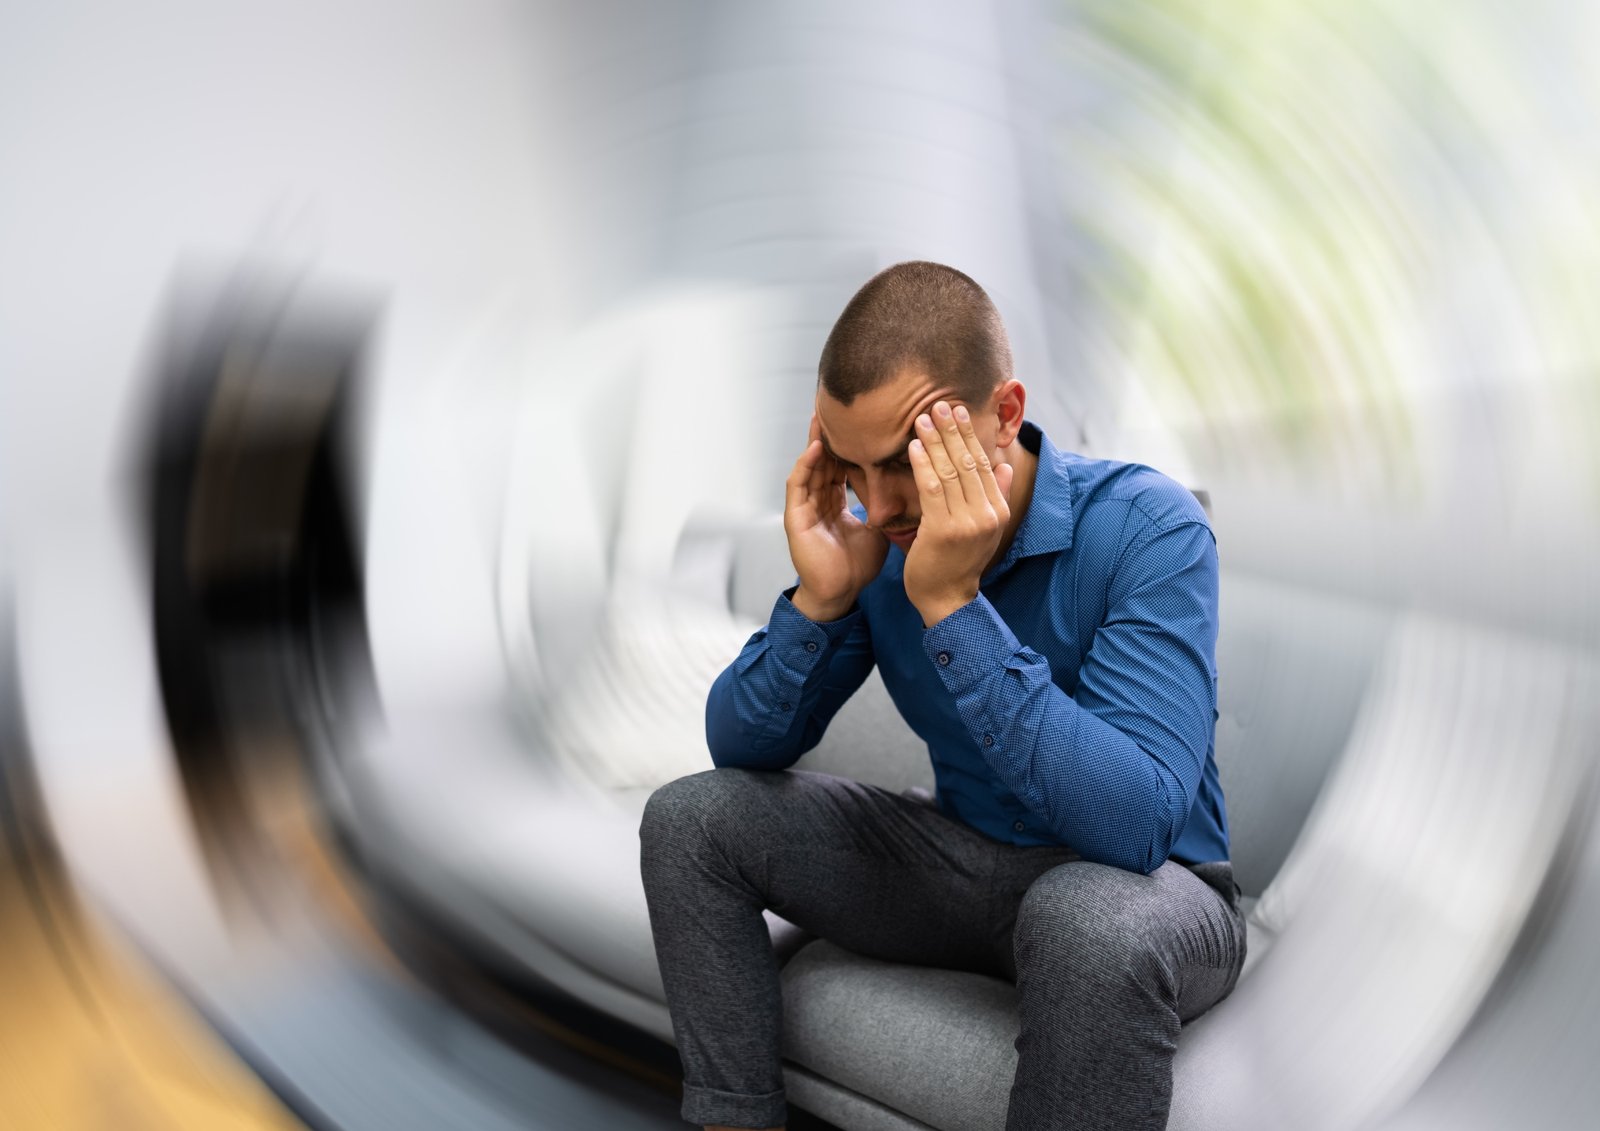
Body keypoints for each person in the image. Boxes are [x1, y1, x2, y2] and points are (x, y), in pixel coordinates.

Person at [639, 261, 1245, 1131]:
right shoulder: (878, 542)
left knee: (1085, 921)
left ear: (1005, 414)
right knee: (690, 820)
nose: (880, 504)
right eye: (851, 468)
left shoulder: (1149, 527)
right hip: (959, 860)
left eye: (905, 462)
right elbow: (740, 747)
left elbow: (1137, 824)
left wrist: (954, 605)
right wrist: (821, 599)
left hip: (1149, 891)